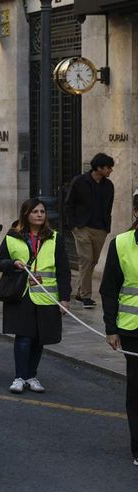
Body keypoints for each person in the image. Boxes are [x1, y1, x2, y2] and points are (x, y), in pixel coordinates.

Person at [0, 198, 70, 394]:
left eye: (42, 212)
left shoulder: (55, 238)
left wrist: (65, 298)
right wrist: (13, 264)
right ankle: (19, 377)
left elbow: (63, 270)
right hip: (21, 293)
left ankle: (31, 376)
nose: (39, 215)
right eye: (35, 211)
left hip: (46, 296)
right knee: (24, 337)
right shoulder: (12, 236)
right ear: (26, 214)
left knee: (39, 339)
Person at [100, 191, 138, 466]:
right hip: (132, 329)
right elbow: (109, 289)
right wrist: (111, 328)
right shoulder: (121, 243)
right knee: (136, 390)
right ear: (136, 212)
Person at [66, 152, 115, 309]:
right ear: (99, 168)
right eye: (108, 167)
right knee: (86, 259)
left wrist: (107, 227)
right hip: (82, 228)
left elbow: (108, 207)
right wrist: (73, 225)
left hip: (100, 229)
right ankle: (86, 296)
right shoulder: (79, 182)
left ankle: (80, 292)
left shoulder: (109, 186)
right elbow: (69, 204)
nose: (111, 171)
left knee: (93, 261)